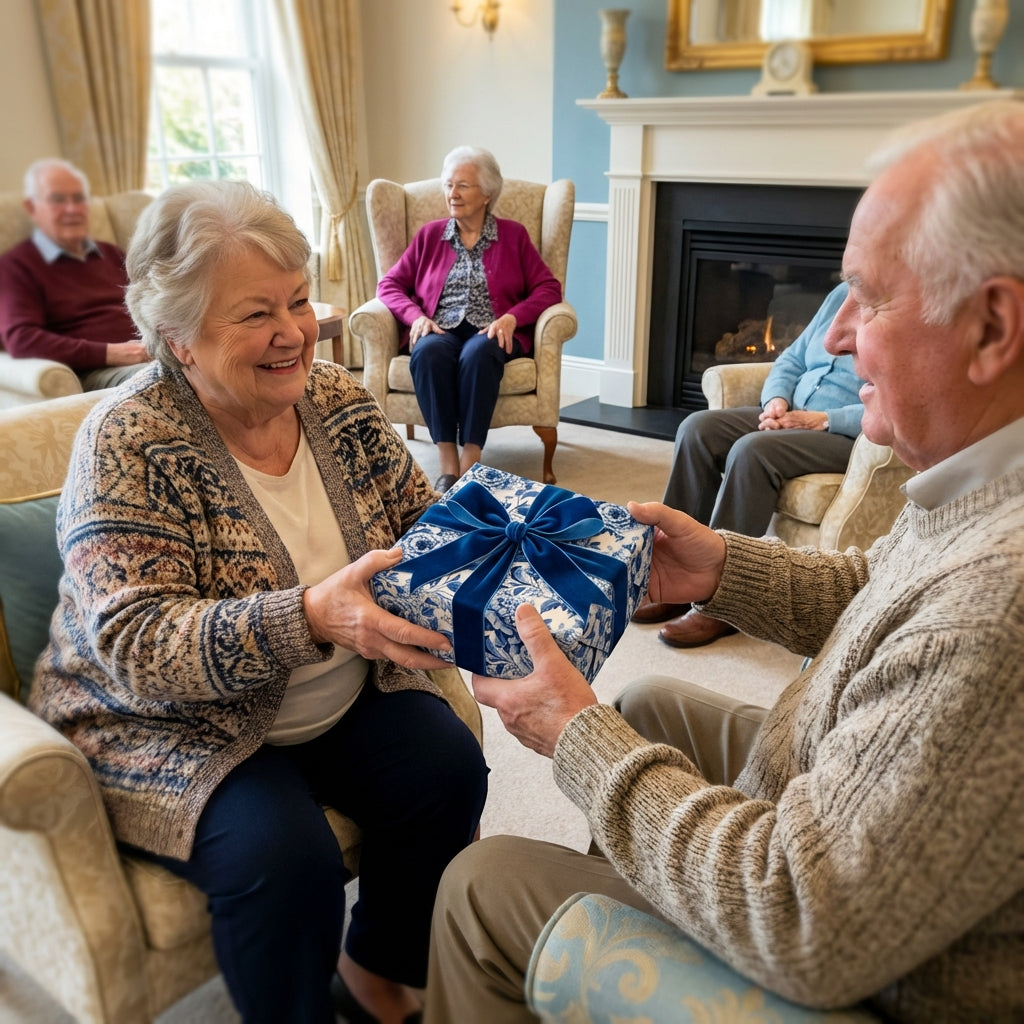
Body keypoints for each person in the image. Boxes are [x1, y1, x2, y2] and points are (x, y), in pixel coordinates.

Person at [422, 99, 1024, 1024]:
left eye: (870, 297)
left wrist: (577, 739)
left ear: (992, 328)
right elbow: (881, 593)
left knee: (484, 881)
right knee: (650, 703)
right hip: (849, 815)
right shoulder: (982, 478)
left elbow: (801, 917)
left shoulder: (1000, 609)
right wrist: (723, 570)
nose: (832, 335)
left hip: (871, 970)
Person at [27, 180, 488, 1024]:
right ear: (180, 338)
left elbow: (421, 523)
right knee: (286, 858)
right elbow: (137, 643)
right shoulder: (129, 439)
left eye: (301, 300)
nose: (295, 332)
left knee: (448, 766)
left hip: (336, 692)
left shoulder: (339, 399)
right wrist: (310, 615)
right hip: (171, 721)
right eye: (255, 314)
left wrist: (511, 554)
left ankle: (376, 972)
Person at [634, 279, 865, 648]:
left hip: (845, 434)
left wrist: (822, 419)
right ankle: (675, 564)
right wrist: (776, 399)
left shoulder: (909, 313)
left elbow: (901, 404)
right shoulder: (842, 295)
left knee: (752, 450)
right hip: (793, 413)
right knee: (697, 428)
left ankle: (721, 598)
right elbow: (792, 358)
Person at [377, 145, 563, 493]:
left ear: (487, 193)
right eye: (448, 185)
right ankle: (447, 461)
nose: (452, 194)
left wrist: (511, 317)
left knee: (479, 353)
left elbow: (548, 288)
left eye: (462, 185)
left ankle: (471, 461)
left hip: (490, 330)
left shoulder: (514, 236)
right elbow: (389, 285)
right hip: (440, 327)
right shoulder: (430, 235)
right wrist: (415, 316)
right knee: (428, 352)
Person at [0, 158, 151, 389]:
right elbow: (21, 340)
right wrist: (114, 353)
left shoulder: (110, 253)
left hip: (150, 353)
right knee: (170, 380)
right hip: (101, 370)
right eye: (58, 200)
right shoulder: (16, 266)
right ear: (32, 208)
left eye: (79, 199)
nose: (72, 209)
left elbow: (150, 303)